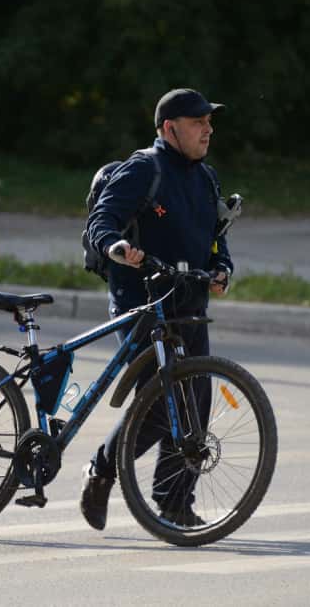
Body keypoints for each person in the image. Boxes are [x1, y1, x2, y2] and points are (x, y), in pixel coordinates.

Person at [80, 88, 234, 530]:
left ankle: (174, 502)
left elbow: (216, 238)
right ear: (170, 128)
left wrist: (222, 267)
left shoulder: (206, 178)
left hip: (190, 303)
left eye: (209, 121)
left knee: (194, 408)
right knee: (159, 408)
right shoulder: (144, 169)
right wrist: (115, 246)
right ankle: (101, 471)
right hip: (143, 305)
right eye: (198, 122)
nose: (208, 129)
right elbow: (102, 220)